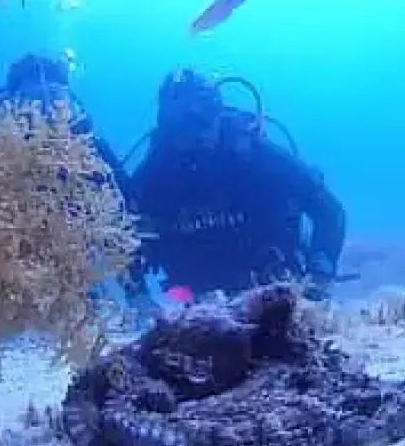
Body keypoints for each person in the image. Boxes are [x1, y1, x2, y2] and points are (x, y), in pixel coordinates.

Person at [123, 67, 346, 312]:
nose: (197, 133)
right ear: (166, 125)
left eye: (205, 114)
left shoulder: (257, 154)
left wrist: (319, 276)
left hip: (277, 288)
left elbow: (329, 210)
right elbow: (120, 239)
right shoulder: (155, 174)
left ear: (218, 111)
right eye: (181, 123)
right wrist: (139, 297)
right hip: (199, 300)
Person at [0, 53, 130, 197]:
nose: (48, 110)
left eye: (56, 98)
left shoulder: (94, 152)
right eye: (33, 100)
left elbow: (130, 203)